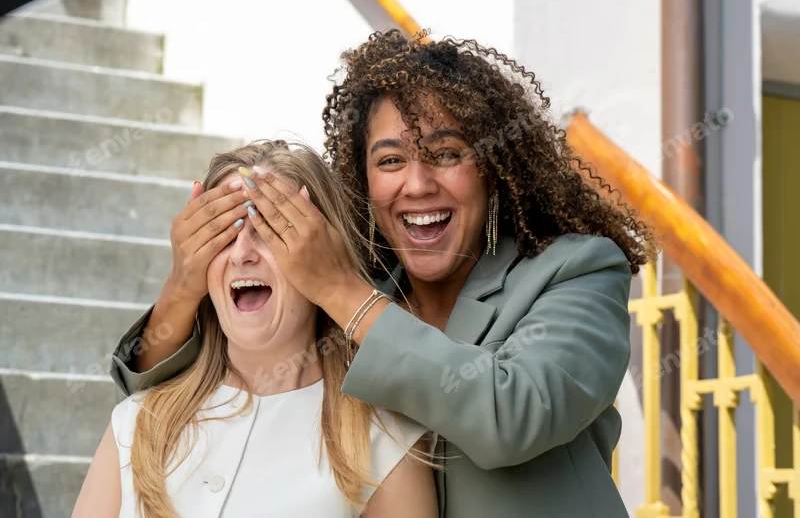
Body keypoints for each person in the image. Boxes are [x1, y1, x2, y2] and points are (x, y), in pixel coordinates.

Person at [108, 31, 656, 517]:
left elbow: (512, 417)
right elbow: (173, 390)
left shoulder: (577, 270)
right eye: (390, 160)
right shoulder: (364, 285)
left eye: (446, 154)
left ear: (493, 168)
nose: (416, 185)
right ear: (363, 180)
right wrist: (184, 283)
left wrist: (338, 289)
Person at [74, 141, 438, 518]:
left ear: (324, 255)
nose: (241, 253)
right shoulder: (134, 424)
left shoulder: (390, 445)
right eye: (223, 234)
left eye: (271, 230)